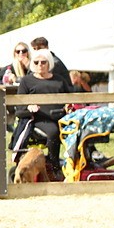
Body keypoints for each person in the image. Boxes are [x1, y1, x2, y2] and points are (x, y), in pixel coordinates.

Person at [9, 49, 73, 180]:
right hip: (39, 119)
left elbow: (71, 98)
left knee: (78, 130)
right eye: (36, 62)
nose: (40, 65)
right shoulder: (27, 81)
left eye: (43, 62)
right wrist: (29, 106)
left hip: (61, 117)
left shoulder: (60, 80)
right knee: (53, 131)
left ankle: (81, 161)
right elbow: (19, 105)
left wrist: (69, 106)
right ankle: (54, 167)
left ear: (49, 63)